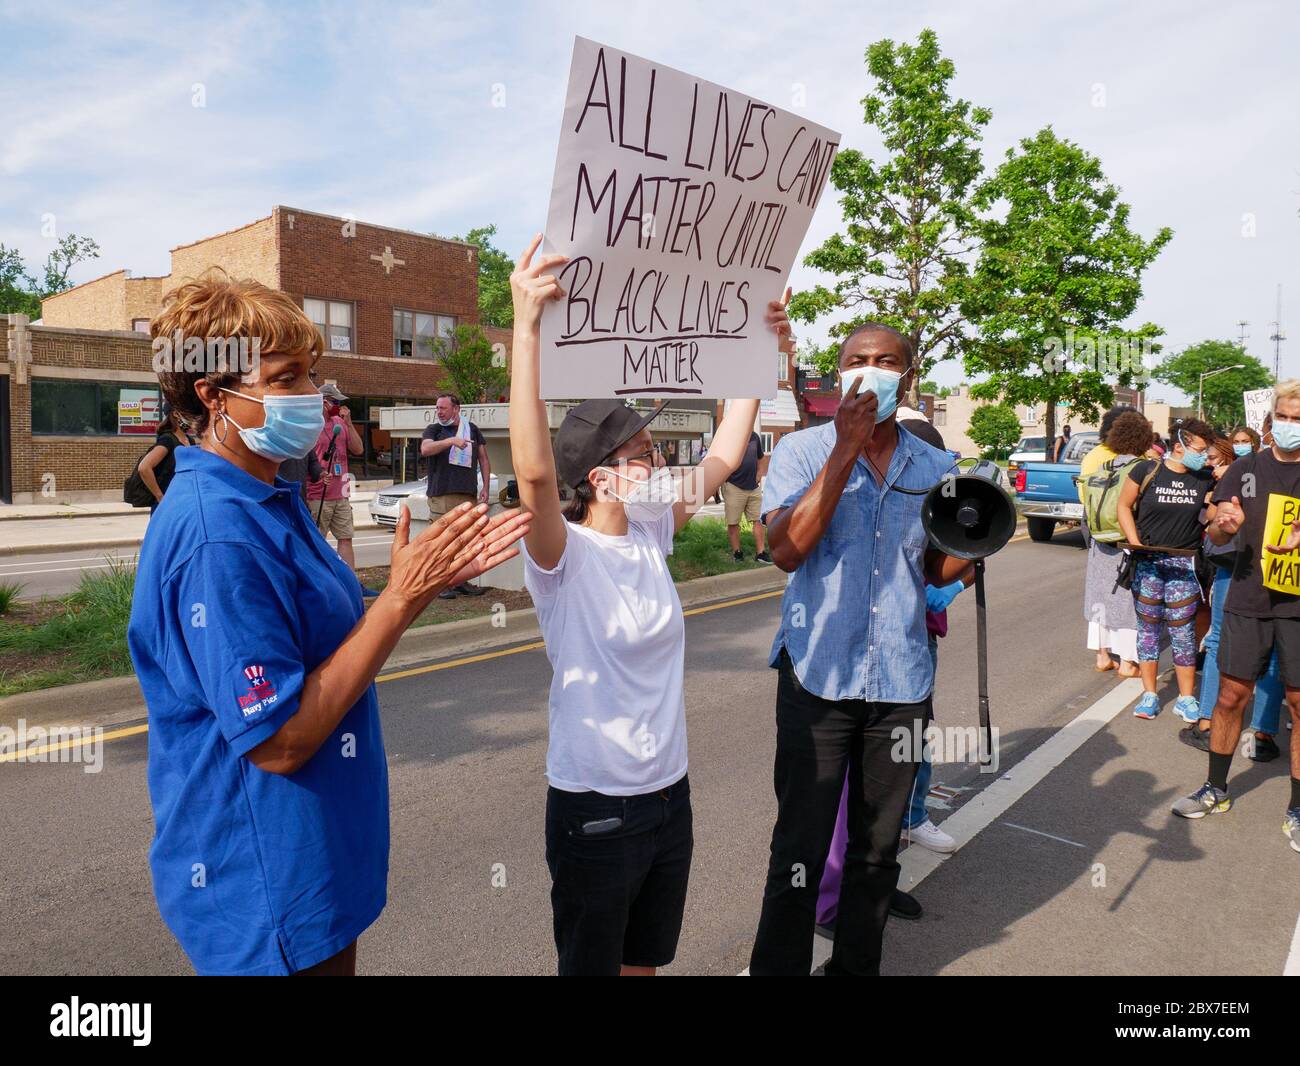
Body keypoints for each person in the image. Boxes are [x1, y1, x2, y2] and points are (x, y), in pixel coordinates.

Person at [127, 273, 529, 975]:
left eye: (311, 374)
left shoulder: (269, 492)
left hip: (312, 863)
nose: (311, 395)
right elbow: (280, 741)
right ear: (213, 396)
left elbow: (321, 649)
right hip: (264, 881)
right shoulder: (216, 533)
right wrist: (401, 600)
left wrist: (406, 592)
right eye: (285, 378)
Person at [508, 235, 788, 976]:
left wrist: (756, 351)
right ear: (600, 479)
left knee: (644, 965)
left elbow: (728, 450)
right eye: (646, 457)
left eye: (659, 451)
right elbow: (534, 476)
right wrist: (526, 327)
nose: (662, 464)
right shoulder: (561, 557)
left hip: (669, 797)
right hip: (596, 807)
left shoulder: (653, 527)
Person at [748, 321, 974, 977]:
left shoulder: (936, 467)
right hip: (816, 678)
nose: (868, 369)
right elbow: (785, 550)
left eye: (884, 361)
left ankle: (855, 967)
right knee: (800, 843)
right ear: (839, 373)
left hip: (901, 685)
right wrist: (843, 451)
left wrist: (976, 541)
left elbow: (935, 570)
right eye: (855, 360)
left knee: (878, 849)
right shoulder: (800, 452)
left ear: (907, 377)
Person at [1172, 381, 1300, 853]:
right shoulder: (1244, 471)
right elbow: (1217, 537)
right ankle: (1215, 788)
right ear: (1271, 422)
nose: (1289, 427)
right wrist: (1223, 527)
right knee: (1230, 695)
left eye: (1298, 420)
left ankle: (1297, 810)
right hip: (1247, 599)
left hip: (1298, 609)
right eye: (1284, 418)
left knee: (1299, 702)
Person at [1182, 435, 1283, 757]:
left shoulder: (1246, 469)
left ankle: (1209, 722)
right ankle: (1261, 734)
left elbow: (1215, 525)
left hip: (1240, 570)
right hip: (1272, 571)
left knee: (1218, 642)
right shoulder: (1251, 468)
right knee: (1273, 653)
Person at [1116, 418, 1217, 720]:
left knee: (1183, 633)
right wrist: (1135, 542)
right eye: (1199, 449)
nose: (1203, 455)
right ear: (1179, 446)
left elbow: (1212, 515)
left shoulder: (1205, 478)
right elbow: (1124, 505)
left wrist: (1219, 495)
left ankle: (1186, 699)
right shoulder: (1146, 471)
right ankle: (1149, 696)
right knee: (1148, 631)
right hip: (1147, 564)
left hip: (1183, 566)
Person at [1081, 410, 1152, 677]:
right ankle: (1127, 662)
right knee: (1126, 600)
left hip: (1100, 541)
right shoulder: (1142, 469)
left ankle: (1102, 657)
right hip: (1127, 541)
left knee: (1099, 597)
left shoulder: (1103, 467)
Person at [421, 393, 491, 598]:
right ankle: (441, 584)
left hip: (467, 493)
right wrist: (451, 440)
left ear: (456, 409)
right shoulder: (434, 430)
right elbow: (425, 449)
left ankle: (461, 580)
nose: (439, 412)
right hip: (442, 493)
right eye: (437, 408)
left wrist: (485, 486)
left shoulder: (472, 430)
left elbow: (484, 460)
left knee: (464, 541)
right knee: (443, 542)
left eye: (443, 408)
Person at [306, 383, 370, 586]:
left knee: (345, 538)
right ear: (324, 402)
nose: (340, 406)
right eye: (336, 402)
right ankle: (320, 583)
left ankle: (350, 583)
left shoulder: (339, 424)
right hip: (318, 493)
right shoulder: (310, 426)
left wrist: (348, 423)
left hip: (341, 491)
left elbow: (358, 449)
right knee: (318, 541)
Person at [136, 401, 195, 512]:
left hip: (184, 501)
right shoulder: (168, 440)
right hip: (168, 504)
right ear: (176, 414)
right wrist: (160, 497)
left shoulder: (190, 440)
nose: (191, 416)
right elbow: (144, 468)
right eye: (187, 412)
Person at [723, 428, 771, 562]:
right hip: (734, 486)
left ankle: (760, 553)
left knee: (759, 520)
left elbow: (761, 459)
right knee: (733, 522)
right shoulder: (729, 436)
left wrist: (760, 473)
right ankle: (737, 553)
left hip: (753, 487)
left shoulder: (755, 437)